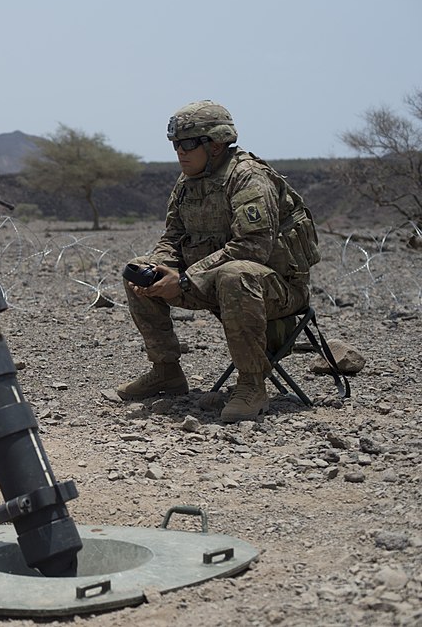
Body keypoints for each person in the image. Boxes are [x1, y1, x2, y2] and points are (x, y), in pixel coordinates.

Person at [116, 100, 320, 422]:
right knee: (139, 268)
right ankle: (166, 371)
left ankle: (252, 384)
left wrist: (184, 280)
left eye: (187, 144)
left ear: (215, 144)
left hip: (275, 289)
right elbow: (172, 236)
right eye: (175, 144)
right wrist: (159, 270)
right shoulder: (187, 182)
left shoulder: (248, 177)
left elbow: (253, 247)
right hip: (209, 282)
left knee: (235, 274)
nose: (179, 152)